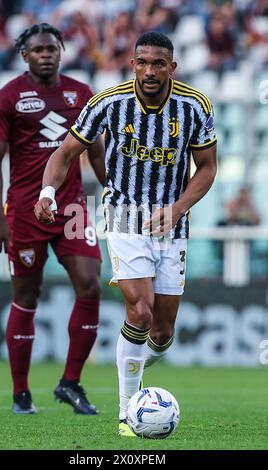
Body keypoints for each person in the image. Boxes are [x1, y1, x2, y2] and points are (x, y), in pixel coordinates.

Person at [34, 31, 217, 436]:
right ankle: (127, 414)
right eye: (142, 62)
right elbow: (64, 154)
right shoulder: (107, 102)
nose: (149, 71)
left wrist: (178, 208)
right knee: (140, 311)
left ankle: (130, 364)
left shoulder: (194, 105)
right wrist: (47, 192)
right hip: (122, 216)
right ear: (132, 63)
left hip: (173, 221)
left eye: (158, 63)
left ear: (172, 67)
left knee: (163, 331)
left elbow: (206, 167)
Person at [0, 23, 105, 415]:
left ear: (61, 50)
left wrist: (113, 189)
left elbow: (97, 154)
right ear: (24, 55)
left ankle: (71, 383)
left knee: (89, 286)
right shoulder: (8, 99)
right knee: (27, 296)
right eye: (37, 49)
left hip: (70, 208)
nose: (46, 54)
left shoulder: (81, 93)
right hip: (23, 211)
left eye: (52, 48)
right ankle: (21, 392)